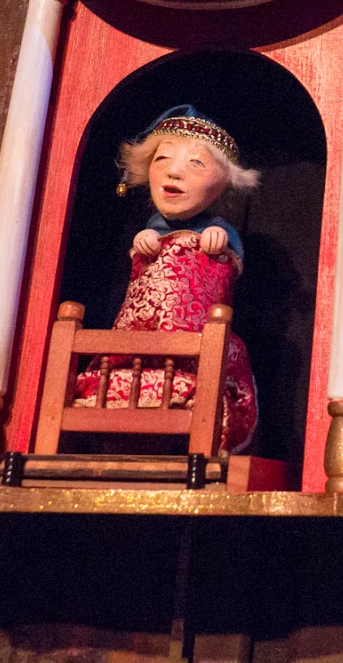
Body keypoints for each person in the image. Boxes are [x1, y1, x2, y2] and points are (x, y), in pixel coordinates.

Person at [72, 105, 260, 455]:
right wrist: (143, 242)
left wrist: (219, 242)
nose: (174, 171)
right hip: (137, 347)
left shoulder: (220, 231)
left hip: (195, 350)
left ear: (222, 184)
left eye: (196, 163)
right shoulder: (151, 230)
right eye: (163, 159)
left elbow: (228, 265)